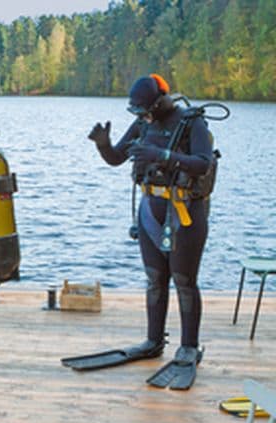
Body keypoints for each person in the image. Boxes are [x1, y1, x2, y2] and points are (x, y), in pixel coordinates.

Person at [62, 74, 215, 390]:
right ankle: (153, 341)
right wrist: (103, 145)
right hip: (150, 212)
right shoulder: (144, 124)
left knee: (184, 282)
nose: (140, 117)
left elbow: (203, 164)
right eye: (135, 113)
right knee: (154, 280)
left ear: (159, 103)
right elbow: (118, 158)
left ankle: (188, 346)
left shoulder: (191, 123)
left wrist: (163, 156)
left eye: (143, 111)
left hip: (185, 213)